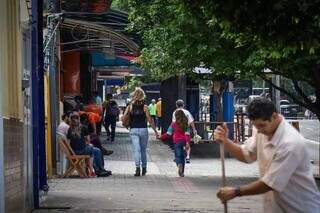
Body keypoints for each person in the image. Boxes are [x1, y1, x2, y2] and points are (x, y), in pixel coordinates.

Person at [214, 98, 320, 213]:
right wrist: (226, 141)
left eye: (262, 125)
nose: (259, 131)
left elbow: (270, 184)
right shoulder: (262, 131)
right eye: (256, 126)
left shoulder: (290, 143)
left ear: (274, 116)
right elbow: (246, 155)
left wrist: (235, 192)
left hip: (301, 209)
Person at [124, 87, 159, 176]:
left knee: (136, 150)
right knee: (143, 150)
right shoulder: (145, 107)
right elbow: (150, 120)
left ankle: (137, 168)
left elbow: (124, 117)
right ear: (143, 96)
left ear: (134, 95)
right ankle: (144, 168)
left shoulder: (130, 106)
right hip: (143, 130)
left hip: (133, 130)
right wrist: (156, 131)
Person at [67, 112, 106, 177]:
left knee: (93, 149)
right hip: (82, 150)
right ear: (79, 119)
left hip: (73, 151)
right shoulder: (84, 128)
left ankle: (87, 170)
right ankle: (92, 171)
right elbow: (88, 140)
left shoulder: (69, 130)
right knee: (92, 150)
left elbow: (68, 143)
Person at [158, 110, 191, 177]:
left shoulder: (174, 124)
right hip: (184, 141)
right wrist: (187, 142)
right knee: (182, 156)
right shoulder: (186, 124)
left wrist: (161, 137)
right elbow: (187, 134)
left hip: (176, 141)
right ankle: (182, 172)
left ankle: (179, 164)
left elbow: (168, 134)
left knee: (177, 156)